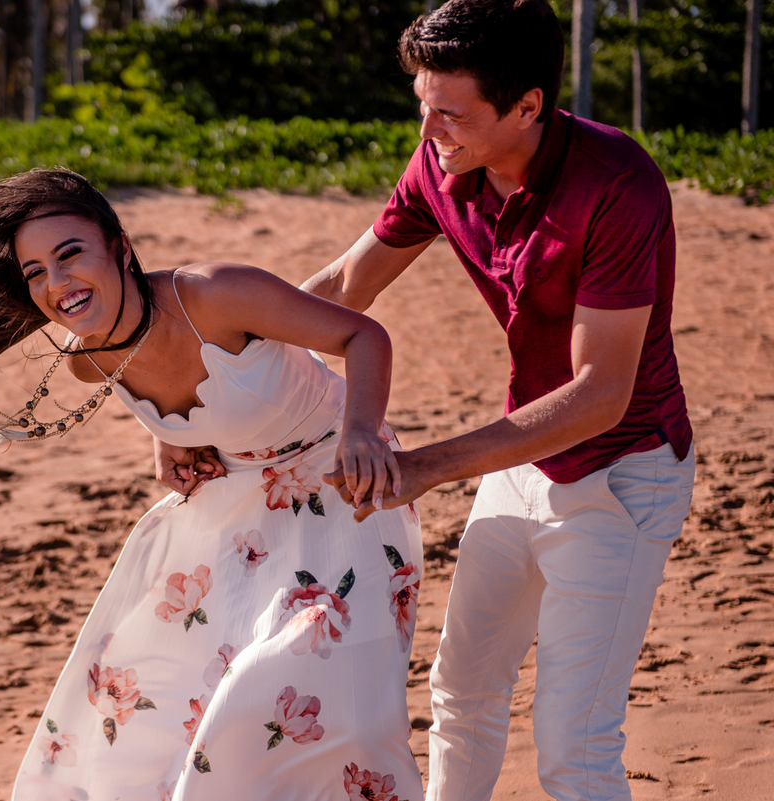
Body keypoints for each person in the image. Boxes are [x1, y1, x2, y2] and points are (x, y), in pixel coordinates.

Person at [0, 169, 425, 801]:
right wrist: (170, 436)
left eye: (70, 254)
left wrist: (361, 433)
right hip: (242, 513)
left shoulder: (216, 293)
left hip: (345, 487)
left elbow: (363, 336)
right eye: (34, 273)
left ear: (121, 247)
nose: (56, 283)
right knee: (167, 704)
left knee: (295, 691)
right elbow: (178, 394)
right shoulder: (87, 361)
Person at [298, 0, 694, 799]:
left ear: (527, 106)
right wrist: (210, 366)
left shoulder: (617, 184)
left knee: (574, 751)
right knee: (461, 692)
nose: (428, 129)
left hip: (623, 474)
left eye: (451, 113)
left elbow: (599, 394)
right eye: (423, 106)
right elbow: (341, 288)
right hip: (519, 461)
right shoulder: (440, 164)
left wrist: (424, 466)